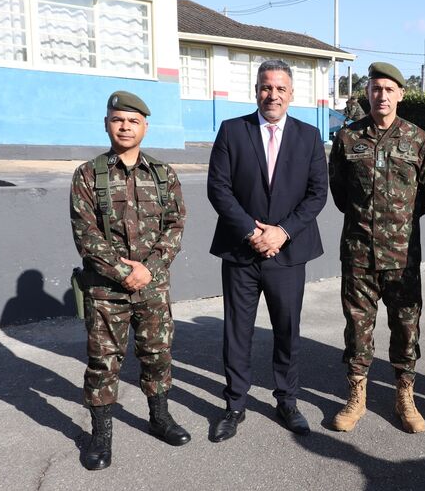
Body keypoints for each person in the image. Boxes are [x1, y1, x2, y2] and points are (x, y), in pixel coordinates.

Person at [207, 59, 328, 442]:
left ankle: (287, 401)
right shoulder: (232, 131)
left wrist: (282, 233)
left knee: (287, 331)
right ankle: (235, 404)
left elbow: (316, 194)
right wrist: (250, 232)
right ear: (255, 90)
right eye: (265, 87)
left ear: (291, 94)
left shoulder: (309, 137)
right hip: (241, 252)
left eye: (279, 89)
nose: (271, 94)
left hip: (287, 254)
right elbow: (219, 188)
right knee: (237, 331)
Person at [70, 91, 190, 470]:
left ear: (145, 127)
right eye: (118, 119)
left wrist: (149, 269)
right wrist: (126, 272)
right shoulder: (88, 175)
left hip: (153, 287)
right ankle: (101, 435)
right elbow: (86, 236)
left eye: (132, 121)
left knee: (157, 356)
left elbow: (175, 226)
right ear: (107, 123)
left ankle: (160, 418)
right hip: (106, 290)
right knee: (103, 362)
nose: (125, 126)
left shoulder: (163, 174)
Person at [328, 62, 425, 433]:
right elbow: (341, 195)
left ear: (401, 94)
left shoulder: (419, 140)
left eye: (390, 89)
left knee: (406, 327)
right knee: (358, 328)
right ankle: (356, 396)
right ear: (368, 94)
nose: (382, 95)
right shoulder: (347, 139)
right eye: (376, 89)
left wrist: (397, 225)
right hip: (359, 254)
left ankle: (405, 395)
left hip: (403, 255)